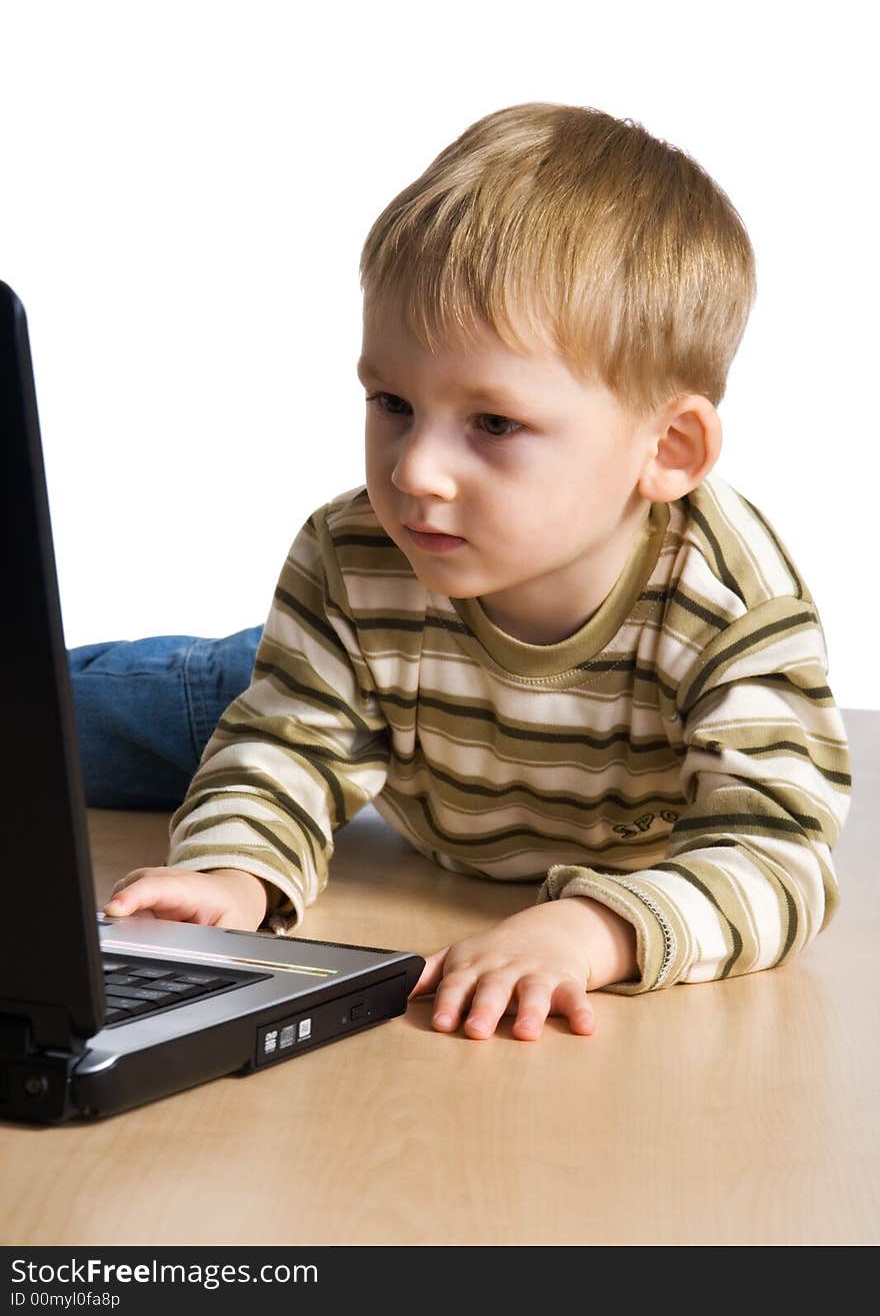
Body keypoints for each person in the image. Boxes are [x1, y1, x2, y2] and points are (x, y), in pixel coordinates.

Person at [72, 101, 852, 1043]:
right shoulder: (358, 557)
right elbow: (289, 746)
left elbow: (779, 854)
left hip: (444, 726)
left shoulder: (732, 609)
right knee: (63, 729)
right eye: (393, 402)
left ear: (670, 449)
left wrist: (591, 928)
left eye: (492, 424)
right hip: (356, 692)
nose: (412, 472)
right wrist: (237, 874)